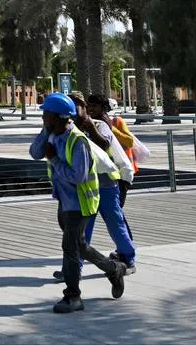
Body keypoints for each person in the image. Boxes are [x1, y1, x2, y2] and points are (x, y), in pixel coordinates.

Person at [29, 92, 127, 313]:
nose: (43, 116)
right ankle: (113, 269)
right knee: (80, 246)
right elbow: (35, 153)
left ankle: (73, 296)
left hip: (81, 203)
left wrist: (53, 158)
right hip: (64, 201)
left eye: (46, 114)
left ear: (58, 116)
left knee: (70, 247)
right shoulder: (52, 134)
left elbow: (78, 177)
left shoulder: (78, 141)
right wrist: (45, 134)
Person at [82, 94, 137, 273]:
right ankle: (75, 266)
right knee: (84, 227)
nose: (90, 109)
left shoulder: (101, 125)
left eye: (93, 106)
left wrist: (92, 126)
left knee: (115, 221)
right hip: (88, 185)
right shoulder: (76, 127)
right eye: (87, 106)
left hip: (109, 183)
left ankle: (128, 258)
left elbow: (105, 145)